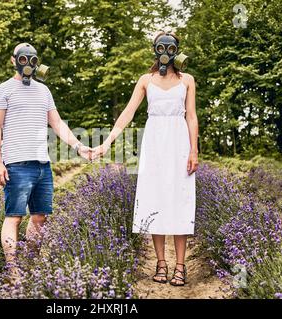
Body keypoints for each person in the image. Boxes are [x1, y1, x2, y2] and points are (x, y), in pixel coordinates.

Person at [92, 31, 199, 286]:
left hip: (179, 143)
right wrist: (107, 142)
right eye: (161, 47)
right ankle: (161, 263)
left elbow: (191, 116)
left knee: (179, 201)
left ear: (176, 51)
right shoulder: (145, 80)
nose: (165, 51)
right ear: (155, 49)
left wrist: (194, 150)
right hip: (153, 143)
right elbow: (128, 113)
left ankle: (180, 266)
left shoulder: (187, 80)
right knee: (156, 200)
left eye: (170, 47)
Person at [0, 43, 91, 270]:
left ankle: (30, 266)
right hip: (16, 164)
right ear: (13, 60)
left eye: (32, 60)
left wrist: (78, 146)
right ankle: (13, 272)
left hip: (43, 165)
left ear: (37, 63)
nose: (27, 65)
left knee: (40, 218)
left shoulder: (44, 91)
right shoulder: (3, 90)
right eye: (22, 59)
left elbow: (57, 123)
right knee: (14, 217)